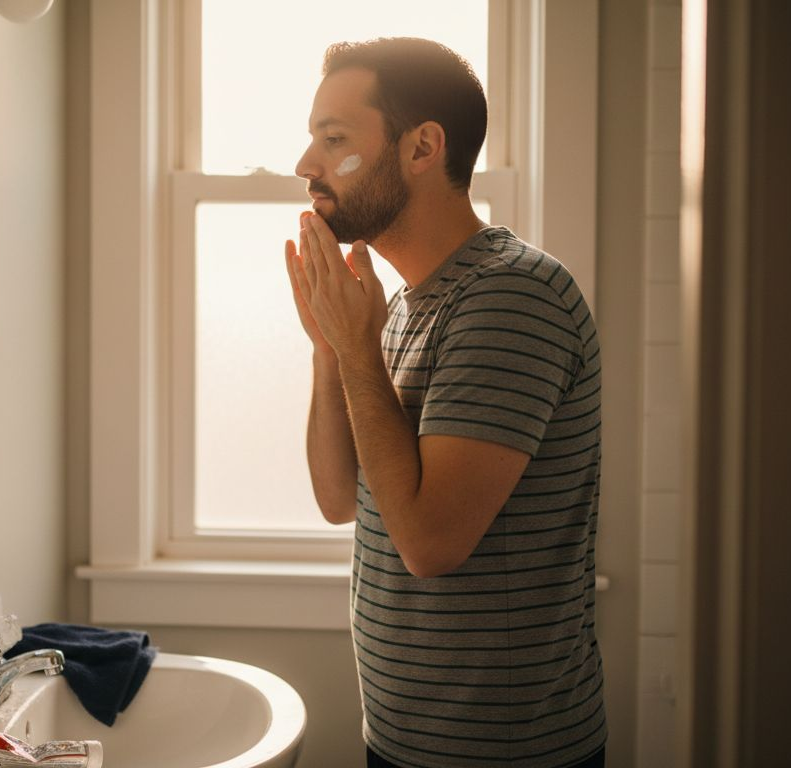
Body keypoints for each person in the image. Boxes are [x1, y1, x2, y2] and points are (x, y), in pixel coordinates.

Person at [283, 38, 606, 768]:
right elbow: (339, 498)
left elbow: (430, 544)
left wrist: (358, 350)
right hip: (402, 743)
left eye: (334, 140)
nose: (307, 165)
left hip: (508, 755)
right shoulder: (399, 309)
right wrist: (330, 347)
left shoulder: (513, 296)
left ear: (423, 146)